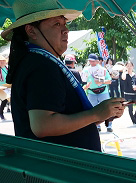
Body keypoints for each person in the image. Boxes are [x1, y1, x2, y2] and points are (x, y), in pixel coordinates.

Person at [3, 1, 124, 152]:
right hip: (59, 168)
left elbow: (59, 118)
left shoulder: (36, 61)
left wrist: (101, 114)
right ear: (31, 31)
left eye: (64, 23)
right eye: (56, 24)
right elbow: (43, 126)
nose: (66, 29)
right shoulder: (41, 65)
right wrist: (94, 114)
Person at [82, 54, 114, 132]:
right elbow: (83, 80)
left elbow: (109, 81)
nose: (91, 62)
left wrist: (101, 81)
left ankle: (109, 125)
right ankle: (97, 126)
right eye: (90, 61)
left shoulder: (103, 69)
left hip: (103, 91)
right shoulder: (86, 70)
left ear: (97, 61)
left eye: (93, 61)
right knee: (93, 110)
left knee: (107, 108)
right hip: (91, 92)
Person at [118, 61, 136, 126]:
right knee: (130, 109)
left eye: (130, 66)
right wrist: (125, 71)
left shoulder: (135, 75)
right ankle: (134, 121)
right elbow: (123, 78)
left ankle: (134, 116)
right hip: (128, 95)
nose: (129, 67)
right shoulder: (124, 74)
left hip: (135, 94)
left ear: (133, 66)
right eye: (127, 66)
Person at [0, 54, 9, 121]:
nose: (2, 62)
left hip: (6, 86)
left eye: (3, 61)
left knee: (5, 100)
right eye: (1, 61)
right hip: (0, 87)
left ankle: (1, 113)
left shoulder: (6, 68)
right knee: (4, 100)